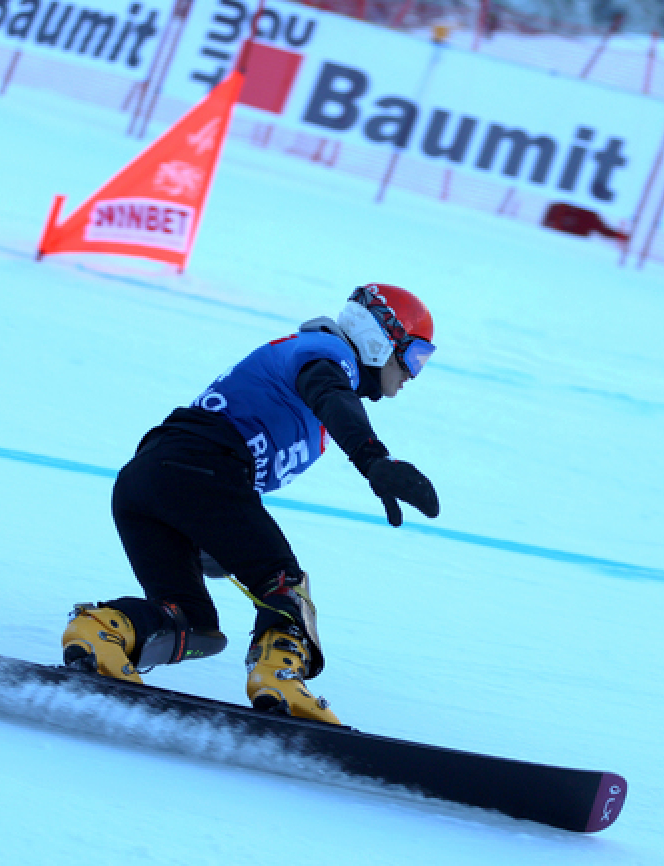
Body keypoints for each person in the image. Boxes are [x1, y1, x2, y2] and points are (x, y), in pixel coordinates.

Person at [61, 284, 441, 725]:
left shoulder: (311, 366)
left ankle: (101, 632)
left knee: (193, 625)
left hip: (150, 480)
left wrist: (213, 536)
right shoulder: (324, 354)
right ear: (379, 339)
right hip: (196, 466)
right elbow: (329, 393)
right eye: (414, 357)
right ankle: (278, 676)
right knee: (286, 584)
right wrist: (374, 460)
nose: (412, 375)